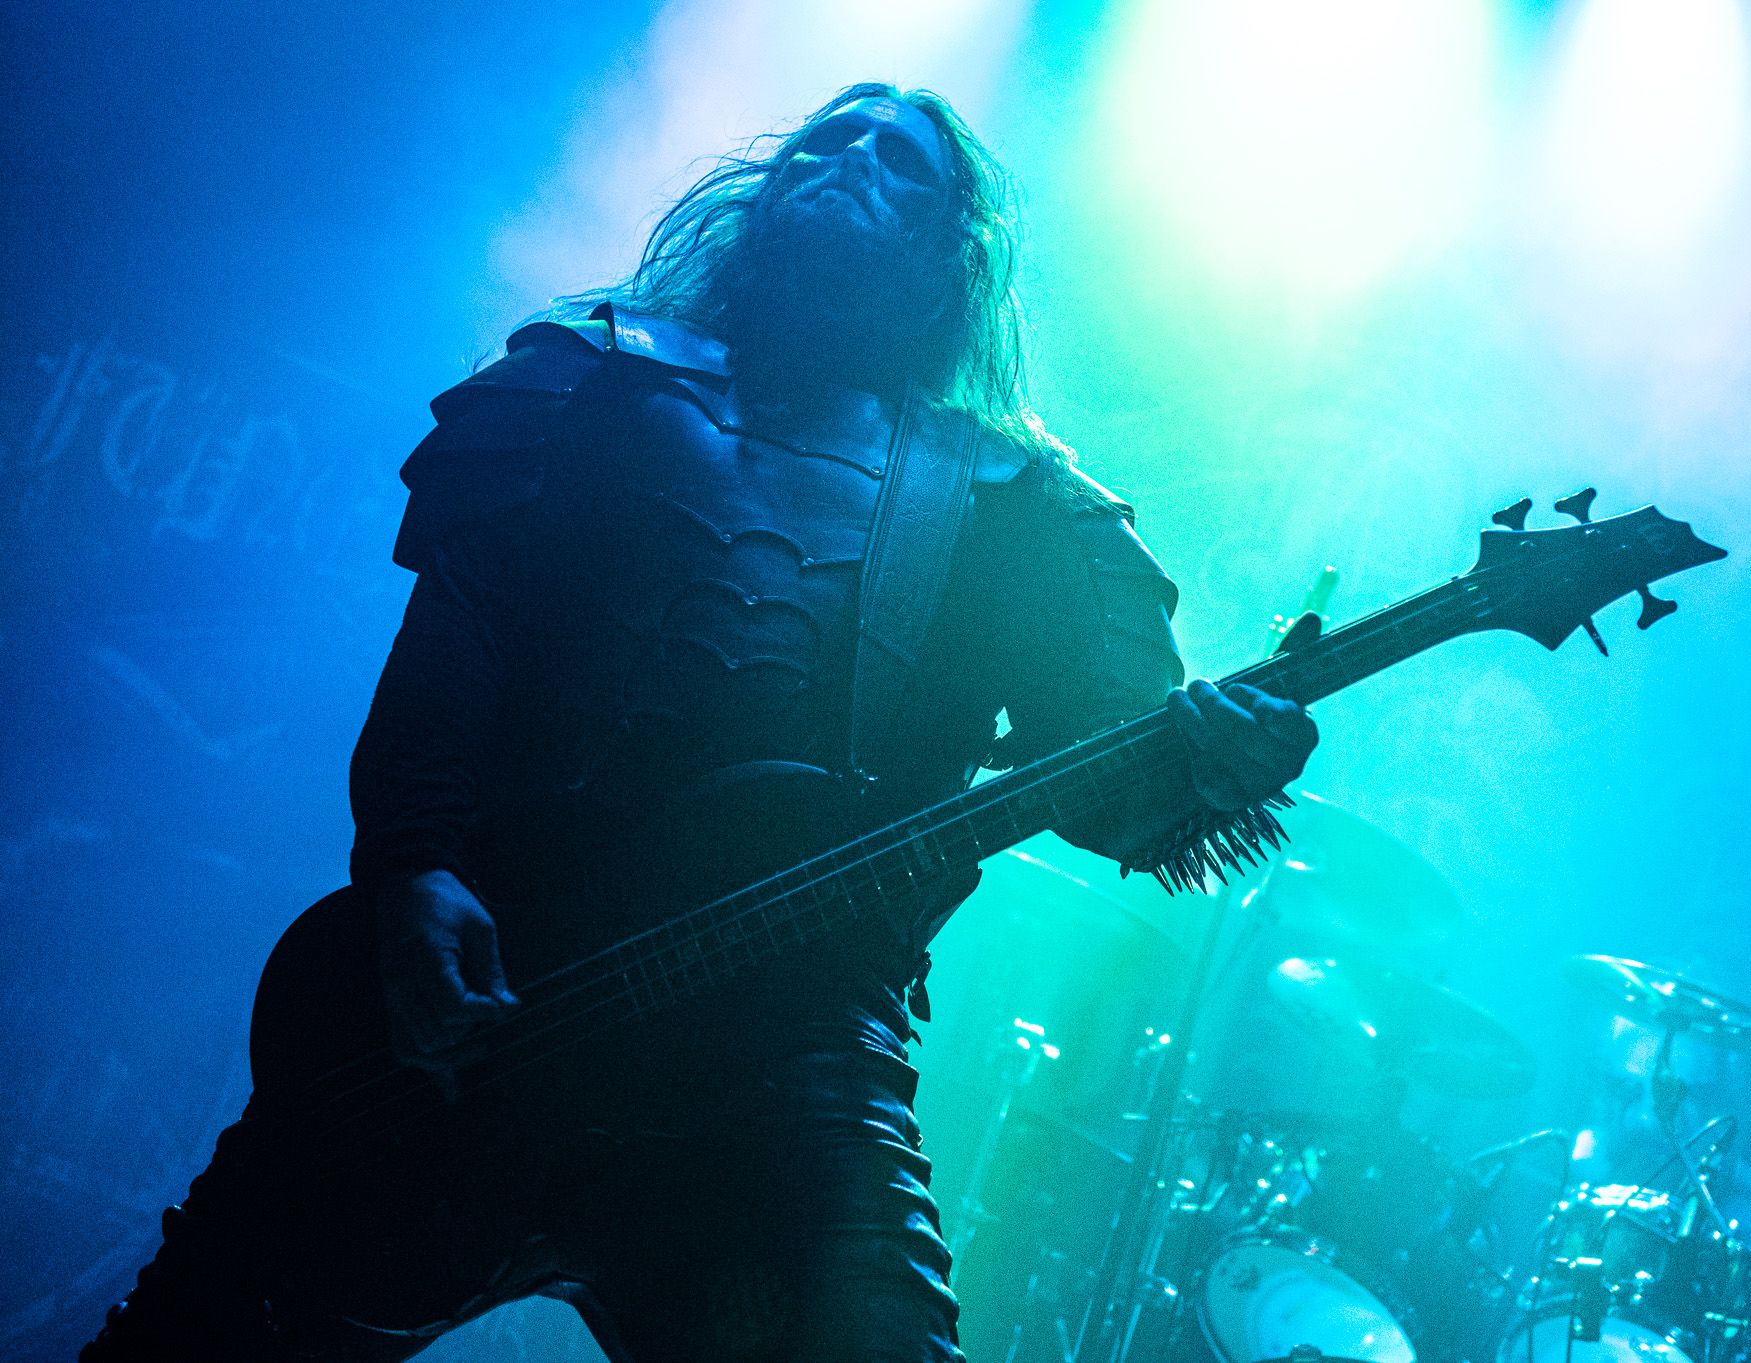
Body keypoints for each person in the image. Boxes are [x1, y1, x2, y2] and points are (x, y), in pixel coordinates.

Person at [83, 83, 1318, 1362]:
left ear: (953, 256)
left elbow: (1104, 780)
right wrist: (411, 866)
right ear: (764, 187)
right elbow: (457, 641)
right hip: (493, 991)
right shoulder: (581, 378)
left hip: (791, 1049)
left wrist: (1218, 767)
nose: (854, 162)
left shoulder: (1013, 500)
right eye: (828, 140)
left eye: (903, 165)